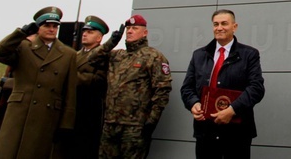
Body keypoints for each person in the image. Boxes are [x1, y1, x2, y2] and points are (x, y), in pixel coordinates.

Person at [0, 6, 78, 159]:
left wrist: (66, 123)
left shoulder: (68, 54)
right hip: (19, 113)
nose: (51, 29)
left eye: (55, 26)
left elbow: (70, 92)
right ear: (38, 28)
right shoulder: (23, 47)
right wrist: (20, 33)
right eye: (47, 25)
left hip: (47, 116)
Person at [180, 9, 265, 158]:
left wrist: (232, 110)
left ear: (234, 26)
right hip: (205, 131)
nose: (219, 28)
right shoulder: (199, 55)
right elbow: (187, 88)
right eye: (216, 24)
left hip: (237, 132)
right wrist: (194, 104)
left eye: (224, 23)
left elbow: (256, 88)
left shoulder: (249, 54)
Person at [91, 14, 172, 159]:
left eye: (134, 28)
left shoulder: (153, 56)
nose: (129, 31)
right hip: (111, 123)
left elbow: (162, 90)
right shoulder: (116, 55)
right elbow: (91, 60)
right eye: (128, 28)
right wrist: (111, 42)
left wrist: (151, 121)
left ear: (145, 32)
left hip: (135, 126)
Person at [73, 15, 109, 159]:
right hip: (72, 108)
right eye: (84, 31)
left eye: (90, 32)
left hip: (89, 110)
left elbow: (99, 80)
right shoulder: (74, 55)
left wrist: (72, 77)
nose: (85, 34)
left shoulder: (103, 56)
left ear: (99, 38)